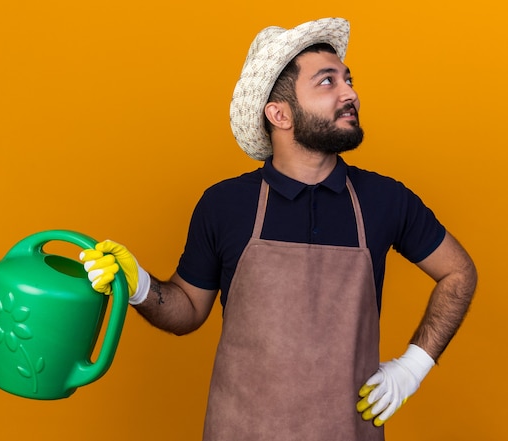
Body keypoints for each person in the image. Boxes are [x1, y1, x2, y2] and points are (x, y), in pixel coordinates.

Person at [80, 17, 477, 441]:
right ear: (279, 113)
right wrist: (137, 285)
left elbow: (459, 273)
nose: (350, 93)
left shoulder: (384, 200)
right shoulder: (225, 205)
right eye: (327, 82)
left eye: (348, 79)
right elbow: (188, 310)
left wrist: (413, 367)